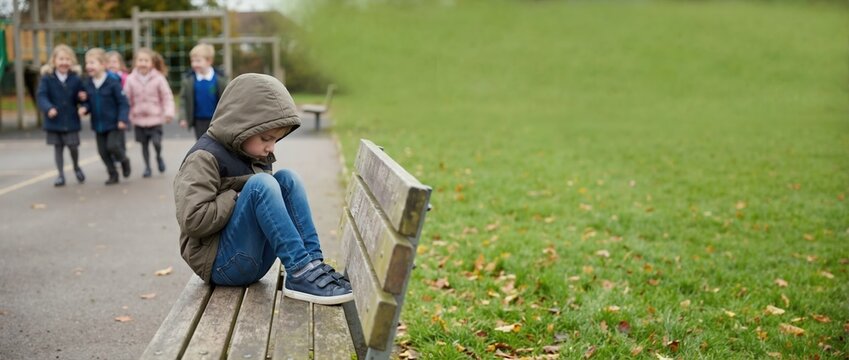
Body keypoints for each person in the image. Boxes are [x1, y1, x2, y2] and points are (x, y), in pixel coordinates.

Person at [173, 73, 352, 305]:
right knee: (261, 185)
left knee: (287, 178)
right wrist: (238, 195)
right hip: (221, 264)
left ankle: (311, 265)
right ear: (241, 126)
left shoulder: (252, 151)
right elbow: (193, 220)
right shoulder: (203, 157)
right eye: (266, 138)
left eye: (276, 139)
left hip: (253, 258)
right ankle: (299, 271)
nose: (271, 147)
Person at [78, 48, 131, 185]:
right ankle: (113, 174)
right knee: (102, 152)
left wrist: (122, 119)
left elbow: (123, 102)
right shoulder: (88, 83)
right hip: (98, 124)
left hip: (114, 123)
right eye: (87, 63)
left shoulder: (112, 82)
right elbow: (88, 102)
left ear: (103, 65)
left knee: (112, 146)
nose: (88, 66)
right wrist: (84, 108)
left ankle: (124, 160)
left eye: (92, 62)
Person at [36, 44, 86, 187]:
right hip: (54, 120)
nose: (64, 62)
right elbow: (42, 95)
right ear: (54, 61)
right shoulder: (47, 78)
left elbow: (82, 96)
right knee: (58, 148)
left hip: (70, 120)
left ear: (72, 62)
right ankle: (60, 174)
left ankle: (76, 167)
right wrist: (48, 108)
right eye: (61, 59)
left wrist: (82, 100)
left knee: (73, 147)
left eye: (67, 59)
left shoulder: (75, 79)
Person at [123, 48, 175, 177]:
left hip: (155, 118)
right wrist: (126, 116)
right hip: (139, 120)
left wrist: (168, 112)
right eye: (140, 60)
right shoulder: (130, 79)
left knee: (156, 143)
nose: (143, 63)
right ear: (136, 62)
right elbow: (126, 99)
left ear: (151, 63)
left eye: (146, 60)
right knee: (144, 145)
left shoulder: (158, 78)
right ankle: (147, 167)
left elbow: (167, 96)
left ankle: (158, 156)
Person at [178, 43, 228, 140]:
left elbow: (227, 98)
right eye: (192, 61)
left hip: (216, 119)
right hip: (199, 120)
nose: (194, 64)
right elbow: (183, 100)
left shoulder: (219, 80)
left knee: (216, 142)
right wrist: (183, 117)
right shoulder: (189, 80)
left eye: (198, 61)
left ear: (209, 61)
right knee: (201, 143)